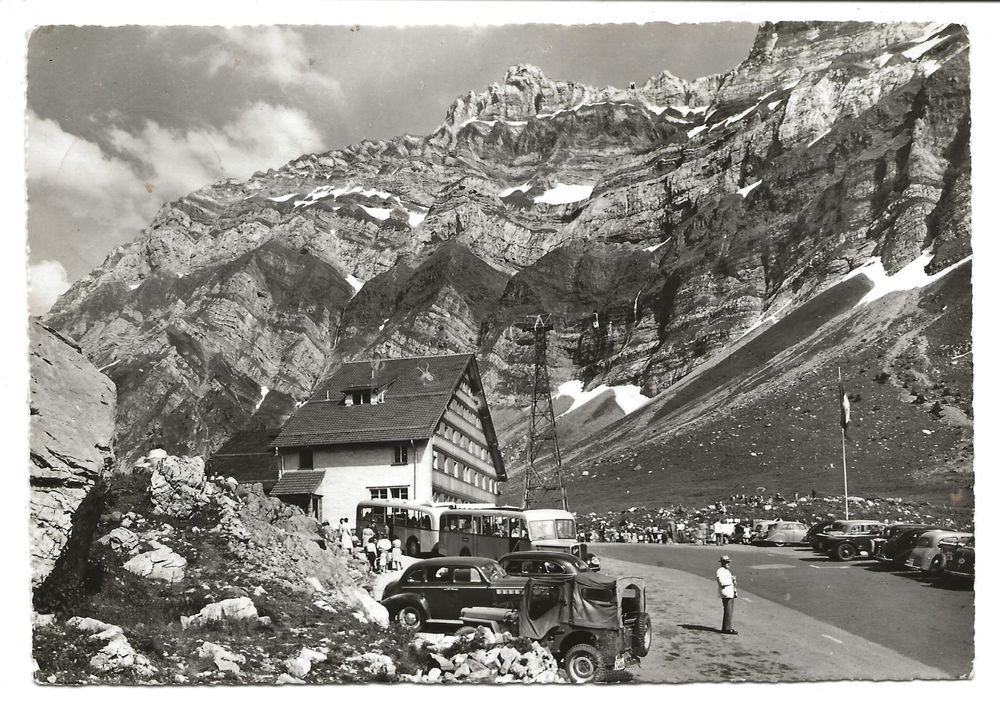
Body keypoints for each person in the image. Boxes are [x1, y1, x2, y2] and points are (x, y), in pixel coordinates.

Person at [716, 555, 738, 635]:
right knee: (728, 611)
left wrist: (734, 586)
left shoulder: (727, 571)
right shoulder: (720, 571)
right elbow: (722, 583)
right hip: (726, 593)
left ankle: (726, 627)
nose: (728, 564)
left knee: (730, 611)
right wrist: (731, 580)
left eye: (729, 562)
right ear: (722, 563)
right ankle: (727, 629)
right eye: (726, 562)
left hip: (730, 593)